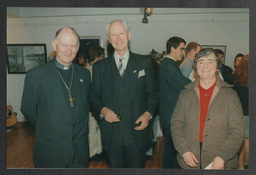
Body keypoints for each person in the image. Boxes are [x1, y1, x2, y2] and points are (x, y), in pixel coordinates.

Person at [89, 19, 158, 168]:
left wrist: (148, 114)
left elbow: (153, 93)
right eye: (113, 35)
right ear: (109, 40)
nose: (118, 38)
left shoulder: (144, 62)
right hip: (111, 135)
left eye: (121, 33)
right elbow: (93, 95)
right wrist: (103, 110)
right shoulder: (100, 67)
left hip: (137, 134)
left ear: (129, 35)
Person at [21, 27, 91, 168]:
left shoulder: (84, 74)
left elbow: (83, 109)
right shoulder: (36, 75)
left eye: (73, 45)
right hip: (50, 152)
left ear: (78, 47)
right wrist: (49, 128)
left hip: (79, 152)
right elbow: (28, 110)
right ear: (55, 45)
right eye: (64, 45)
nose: (68, 50)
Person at [171, 48, 244, 169]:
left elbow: (238, 131)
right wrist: (183, 150)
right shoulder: (186, 93)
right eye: (200, 62)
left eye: (210, 62)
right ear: (195, 66)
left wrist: (222, 156)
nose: (205, 66)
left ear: (217, 66)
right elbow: (176, 124)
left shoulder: (230, 94)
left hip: (220, 161)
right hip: (189, 159)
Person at [159, 36, 191, 168]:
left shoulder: (169, 64)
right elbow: (184, 84)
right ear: (172, 48)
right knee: (172, 152)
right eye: (181, 49)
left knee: (171, 150)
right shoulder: (169, 66)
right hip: (171, 115)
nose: (183, 52)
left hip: (169, 114)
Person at [231, 55, 249, 169]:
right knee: (248, 140)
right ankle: (247, 165)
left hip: (237, 113)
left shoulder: (233, 78)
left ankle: (240, 166)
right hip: (250, 113)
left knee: (240, 141)